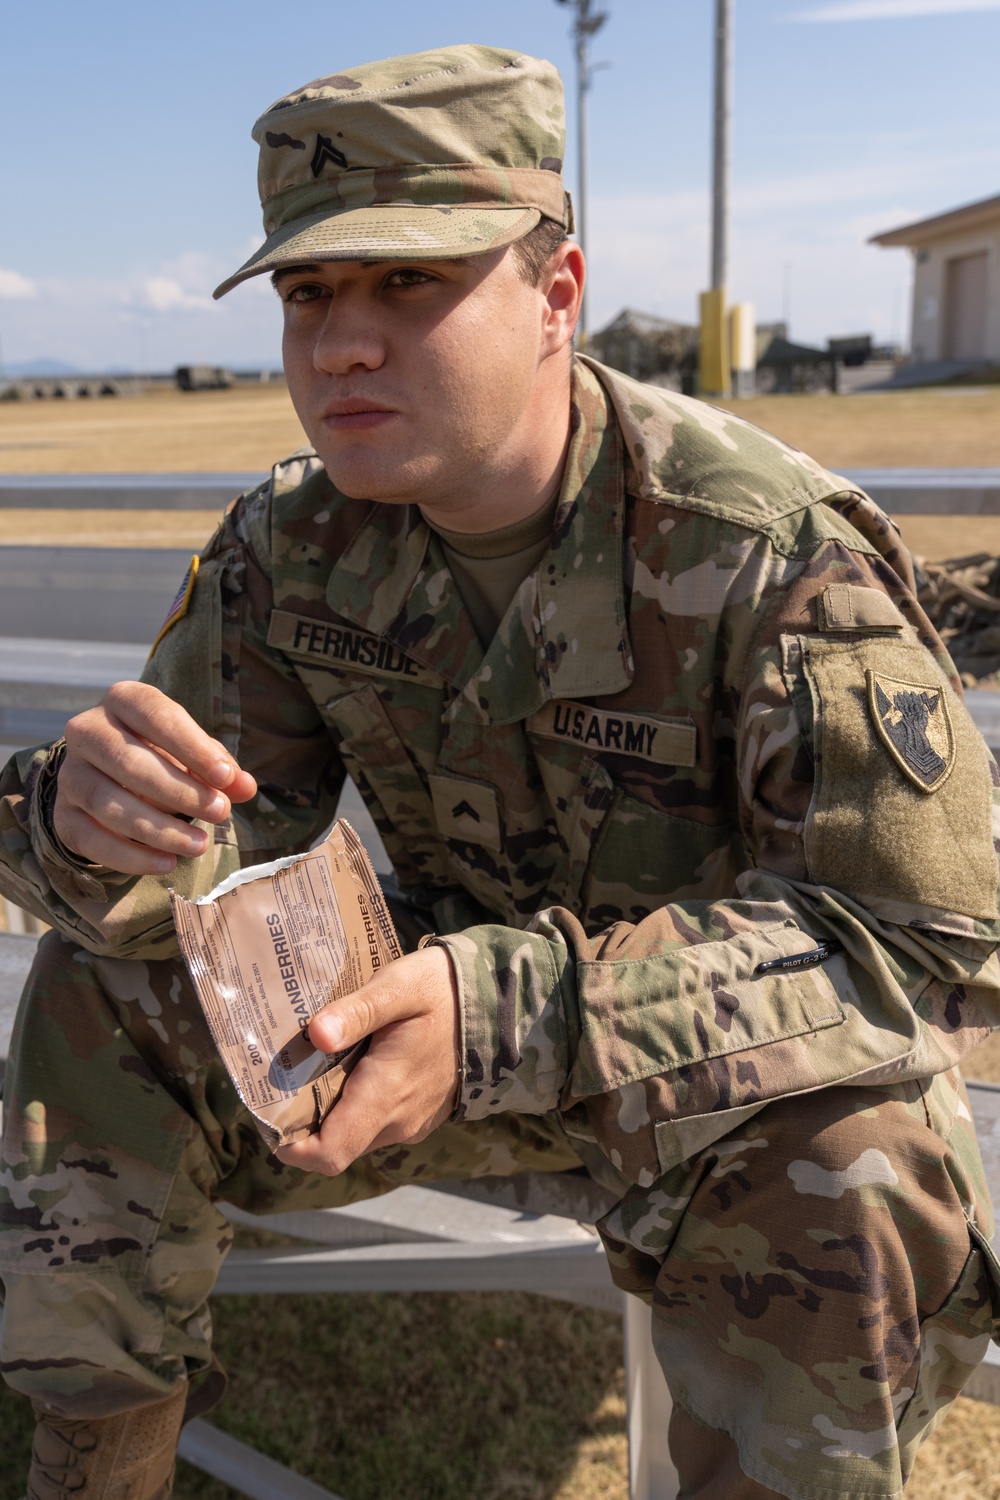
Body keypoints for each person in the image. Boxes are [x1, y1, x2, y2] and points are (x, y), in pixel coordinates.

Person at [1, 43, 999, 1500]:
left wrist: (499, 1014)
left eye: (408, 283)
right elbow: (221, 867)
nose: (342, 342)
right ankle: (99, 1462)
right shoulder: (294, 545)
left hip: (719, 1086)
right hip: (428, 1038)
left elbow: (918, 952)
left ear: (557, 295)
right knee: (100, 992)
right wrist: (82, 829)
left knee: (854, 1163)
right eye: (308, 294)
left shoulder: (764, 547)